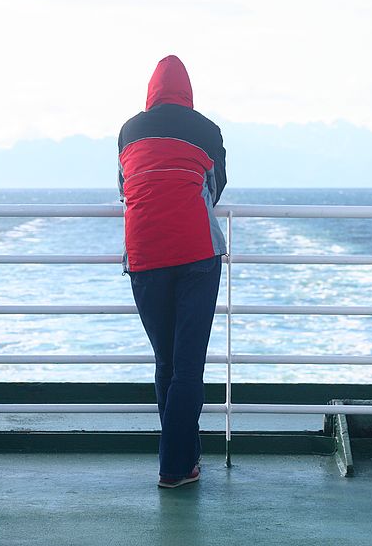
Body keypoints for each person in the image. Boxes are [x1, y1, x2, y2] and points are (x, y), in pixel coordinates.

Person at [117, 55, 227, 488]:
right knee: (188, 367)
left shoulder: (128, 130)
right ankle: (176, 465)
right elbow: (215, 188)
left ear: (151, 90)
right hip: (197, 254)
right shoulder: (207, 129)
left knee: (166, 362)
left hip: (143, 255)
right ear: (188, 91)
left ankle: (180, 460)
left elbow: (125, 188)